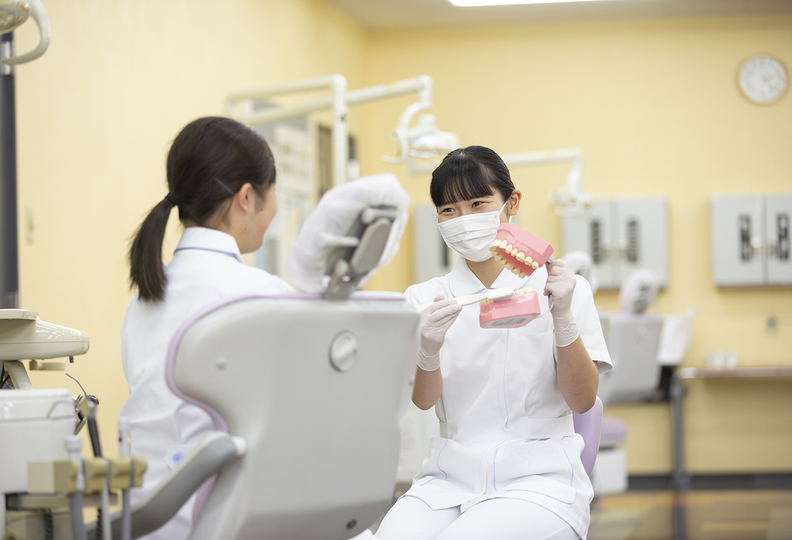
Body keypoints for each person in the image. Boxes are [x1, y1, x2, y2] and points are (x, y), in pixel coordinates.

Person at [375, 146, 611, 540]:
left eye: (477, 203)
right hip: (449, 479)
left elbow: (583, 401)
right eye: (449, 210)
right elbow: (423, 401)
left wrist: (563, 317)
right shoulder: (425, 299)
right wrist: (427, 350)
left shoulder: (560, 288)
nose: (464, 219)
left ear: (511, 202)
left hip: (539, 479)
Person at [120, 116, 292, 540]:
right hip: (224, 524)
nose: (275, 209)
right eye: (273, 194)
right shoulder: (264, 294)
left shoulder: (142, 301)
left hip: (141, 522)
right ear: (247, 198)